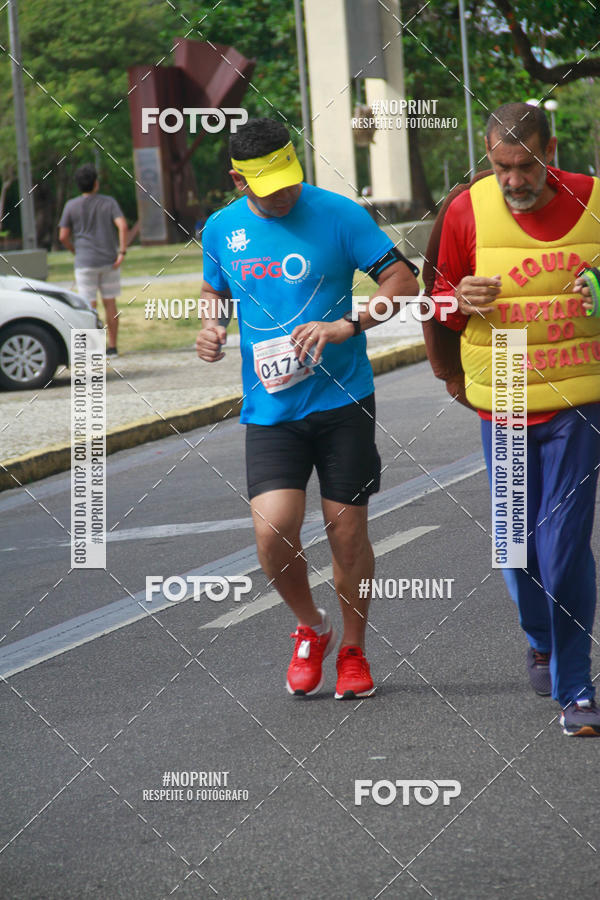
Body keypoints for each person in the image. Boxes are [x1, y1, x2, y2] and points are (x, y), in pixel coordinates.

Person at [196, 117, 419, 699]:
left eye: (290, 180)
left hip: (344, 399)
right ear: (238, 180)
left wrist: (351, 323)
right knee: (273, 532)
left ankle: (352, 648)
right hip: (270, 408)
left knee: (346, 534)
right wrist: (212, 326)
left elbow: (403, 279)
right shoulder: (220, 229)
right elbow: (215, 290)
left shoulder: (338, 213)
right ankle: (310, 625)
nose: (285, 194)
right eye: (270, 188)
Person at [430, 101, 600, 736]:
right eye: (500, 167)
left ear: (549, 153)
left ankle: (577, 690)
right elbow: (435, 300)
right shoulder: (465, 211)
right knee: (515, 545)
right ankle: (540, 639)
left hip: (579, 399)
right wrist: (456, 300)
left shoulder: (593, 199)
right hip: (501, 389)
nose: (512, 181)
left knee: (562, 546)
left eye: (524, 167)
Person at [59, 163, 128, 356]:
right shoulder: (109, 202)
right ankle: (113, 346)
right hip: (109, 261)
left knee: (89, 306)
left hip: (84, 262)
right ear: (96, 183)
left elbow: (63, 236)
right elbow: (122, 225)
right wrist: (122, 252)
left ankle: (93, 349)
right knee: (110, 303)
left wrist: (75, 250)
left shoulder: (70, 206)